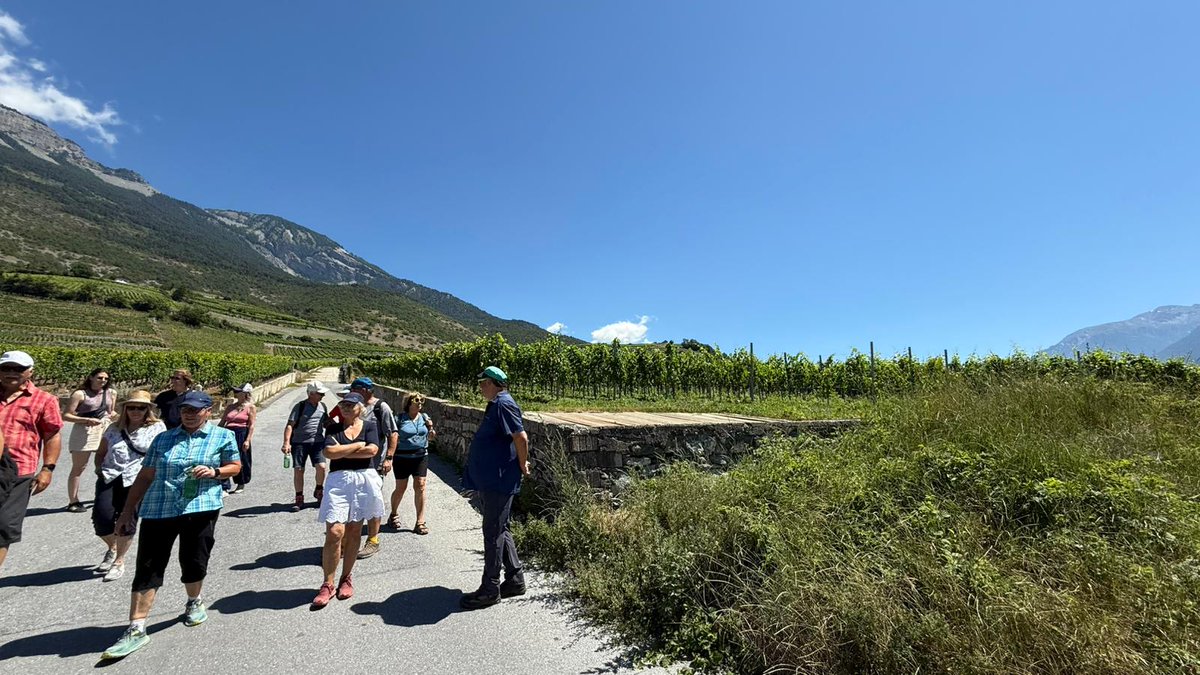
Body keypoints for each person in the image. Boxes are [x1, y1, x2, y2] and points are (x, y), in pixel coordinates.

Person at [101, 391, 240, 660]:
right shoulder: (163, 438)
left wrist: (215, 472)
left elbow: (234, 466)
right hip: (159, 508)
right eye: (184, 409)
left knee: (194, 560)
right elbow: (145, 475)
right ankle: (136, 627)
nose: (188, 413)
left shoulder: (223, 436)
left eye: (195, 410)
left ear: (208, 411)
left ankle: (194, 600)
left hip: (200, 507)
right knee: (148, 565)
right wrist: (128, 511)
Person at [459, 366, 530, 611]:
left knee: (493, 532)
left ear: (494, 383)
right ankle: (515, 579)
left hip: (500, 479)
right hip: (494, 478)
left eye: (483, 383)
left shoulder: (503, 404)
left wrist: (523, 463)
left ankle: (490, 589)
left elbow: (520, 437)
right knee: (501, 528)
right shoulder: (498, 403)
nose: (480, 388)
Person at [312, 392, 383, 608]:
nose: (345, 408)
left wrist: (343, 451)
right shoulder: (333, 427)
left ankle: (346, 578)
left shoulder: (370, 426)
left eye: (350, 405)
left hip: (363, 481)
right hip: (338, 482)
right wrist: (356, 446)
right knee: (335, 531)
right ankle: (327, 583)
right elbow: (329, 452)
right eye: (343, 404)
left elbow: (372, 450)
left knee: (354, 531)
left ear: (359, 408)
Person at [91, 390, 165, 582]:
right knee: (101, 518)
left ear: (148, 410)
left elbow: (161, 455)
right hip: (110, 476)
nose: (135, 411)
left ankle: (119, 561)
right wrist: (99, 468)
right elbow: (101, 451)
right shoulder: (114, 428)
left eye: (141, 408)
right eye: (131, 407)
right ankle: (113, 547)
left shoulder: (157, 428)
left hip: (137, 479)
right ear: (125, 409)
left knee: (127, 519)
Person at [0, 350, 63, 571]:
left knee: (4, 526)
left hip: (19, 471)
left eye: (18, 369)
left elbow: (52, 435)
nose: (10, 373)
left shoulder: (44, 400)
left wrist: (48, 468)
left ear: (30, 372)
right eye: (6, 368)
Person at [349, 377, 397, 560]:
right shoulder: (355, 406)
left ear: (364, 390)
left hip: (374, 465)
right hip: (355, 463)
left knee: (373, 501)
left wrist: (389, 458)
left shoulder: (381, 408)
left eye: (355, 390)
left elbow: (392, 433)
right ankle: (350, 541)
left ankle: (373, 540)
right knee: (355, 501)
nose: (352, 393)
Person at [62, 368, 116, 512]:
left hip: (104, 429)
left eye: (105, 378)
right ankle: (73, 501)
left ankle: (104, 497)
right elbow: (66, 415)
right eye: (99, 378)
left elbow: (111, 411)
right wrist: (85, 419)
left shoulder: (111, 393)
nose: (103, 381)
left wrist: (111, 416)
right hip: (84, 430)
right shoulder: (80, 394)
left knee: (107, 464)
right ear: (91, 378)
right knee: (79, 467)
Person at [386, 393, 436, 535]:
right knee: (401, 488)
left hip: (420, 456)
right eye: (416, 400)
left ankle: (420, 522)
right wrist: (389, 456)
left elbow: (430, 437)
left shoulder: (425, 417)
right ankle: (394, 514)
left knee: (420, 485)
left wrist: (431, 430)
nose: (420, 403)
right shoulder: (400, 419)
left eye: (422, 400)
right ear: (409, 403)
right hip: (402, 457)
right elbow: (393, 437)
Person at [282, 382, 331, 511]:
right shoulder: (300, 406)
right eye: (320, 393)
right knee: (299, 470)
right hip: (299, 443)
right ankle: (299, 497)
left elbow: (325, 423)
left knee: (321, 466)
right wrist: (286, 442)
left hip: (318, 442)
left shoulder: (323, 407)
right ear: (311, 394)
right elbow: (290, 425)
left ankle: (319, 490)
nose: (323, 395)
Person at [218, 384, 256, 494]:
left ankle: (241, 482)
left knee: (241, 459)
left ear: (245, 394)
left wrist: (247, 440)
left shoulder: (250, 407)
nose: (235, 393)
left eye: (238, 392)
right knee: (224, 458)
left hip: (241, 433)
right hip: (228, 433)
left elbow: (251, 425)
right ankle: (224, 485)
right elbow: (222, 422)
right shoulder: (230, 407)